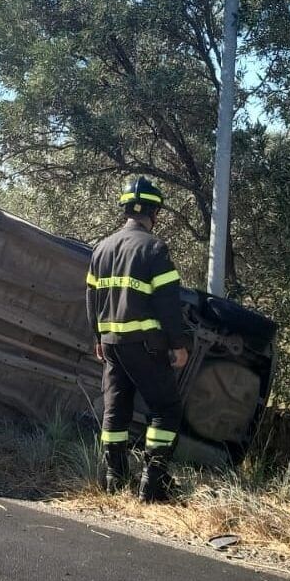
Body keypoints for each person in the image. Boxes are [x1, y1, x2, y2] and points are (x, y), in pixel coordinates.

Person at [85, 176, 189, 502]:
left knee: (116, 409)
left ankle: (115, 480)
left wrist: (98, 337)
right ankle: (152, 486)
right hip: (145, 345)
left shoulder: (101, 249)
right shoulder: (154, 248)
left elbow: (91, 298)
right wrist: (178, 343)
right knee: (166, 409)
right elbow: (168, 303)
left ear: (125, 210)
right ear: (154, 212)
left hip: (112, 344)